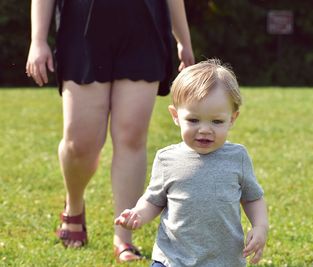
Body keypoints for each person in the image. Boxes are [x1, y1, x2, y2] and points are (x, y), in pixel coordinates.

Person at [25, 0, 194, 263]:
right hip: (82, 27)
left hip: (144, 27)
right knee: (81, 144)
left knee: (131, 136)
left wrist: (183, 40)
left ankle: (123, 237)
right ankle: (74, 204)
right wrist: (37, 39)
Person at [115, 59, 269, 266]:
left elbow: (253, 198)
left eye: (217, 121)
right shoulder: (167, 159)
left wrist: (260, 227)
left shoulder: (237, 157)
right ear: (176, 116)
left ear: (232, 119)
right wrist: (138, 214)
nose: (205, 129)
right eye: (194, 120)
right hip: (172, 258)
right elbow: (154, 200)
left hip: (223, 260)